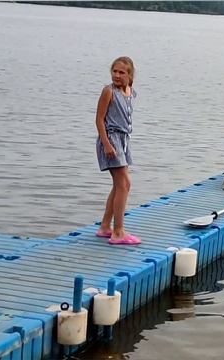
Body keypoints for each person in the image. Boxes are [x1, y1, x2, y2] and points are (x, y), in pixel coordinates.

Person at [94, 56, 140, 245]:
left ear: (130, 75)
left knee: (121, 184)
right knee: (124, 184)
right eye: (115, 71)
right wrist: (106, 144)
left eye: (122, 72)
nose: (117, 75)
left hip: (123, 140)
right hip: (111, 138)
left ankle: (106, 226)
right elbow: (99, 119)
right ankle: (118, 231)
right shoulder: (108, 91)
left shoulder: (130, 92)